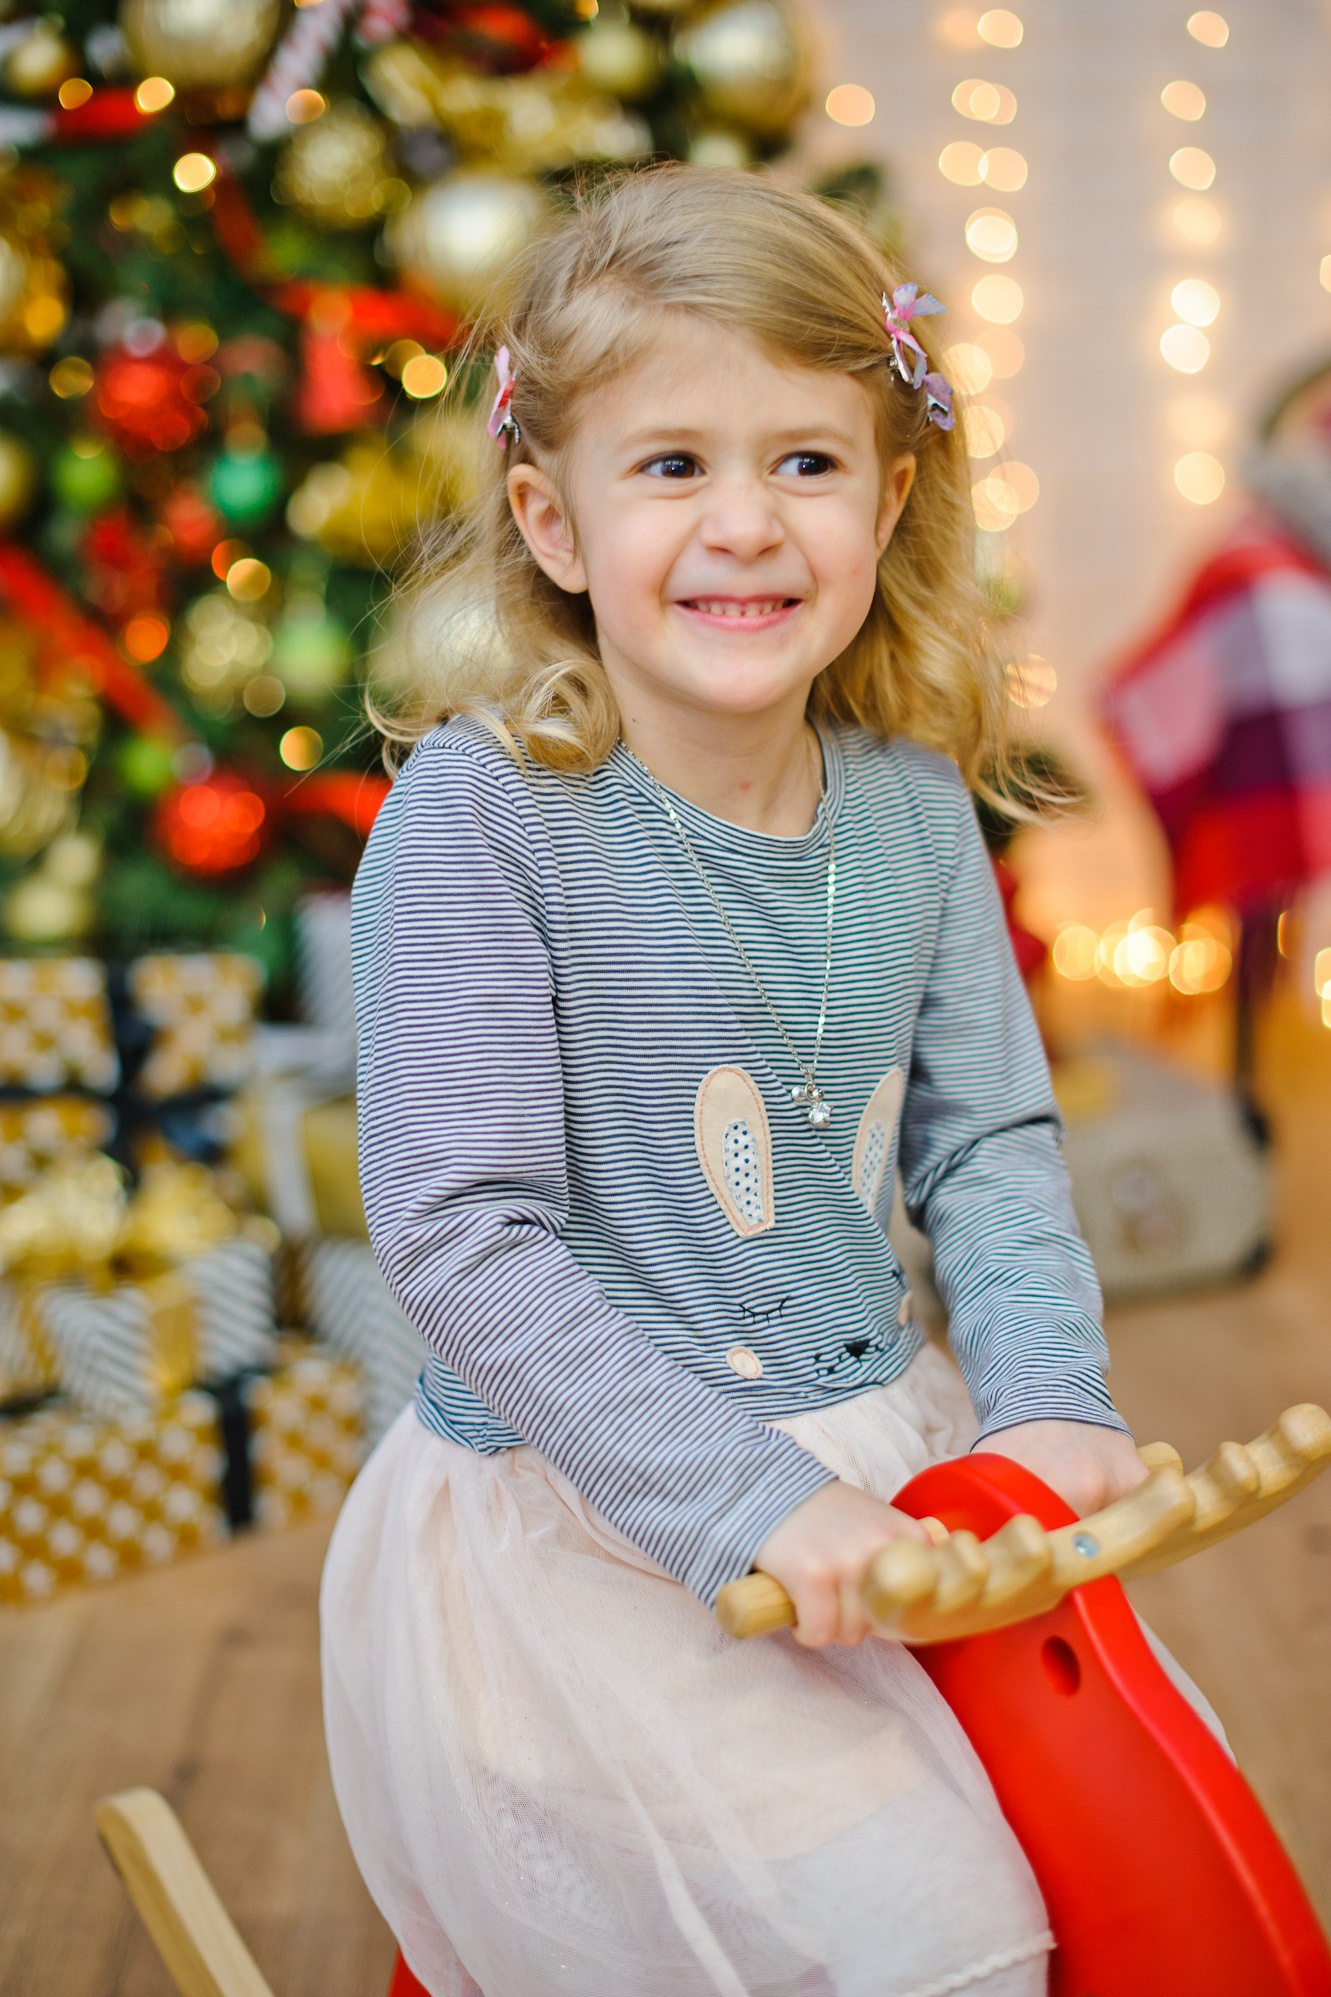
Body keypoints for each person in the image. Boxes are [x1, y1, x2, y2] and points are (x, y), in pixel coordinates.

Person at [322, 165, 1157, 1997]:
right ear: (550, 519)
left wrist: (1045, 1399)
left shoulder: (913, 804)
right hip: (596, 1510)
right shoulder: (482, 823)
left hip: (881, 1449)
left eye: (805, 460)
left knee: (1140, 1837)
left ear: (892, 493)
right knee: (941, 1944)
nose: (747, 526)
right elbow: (464, 1245)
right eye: (673, 465)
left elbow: (993, 1137)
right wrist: (748, 1505)